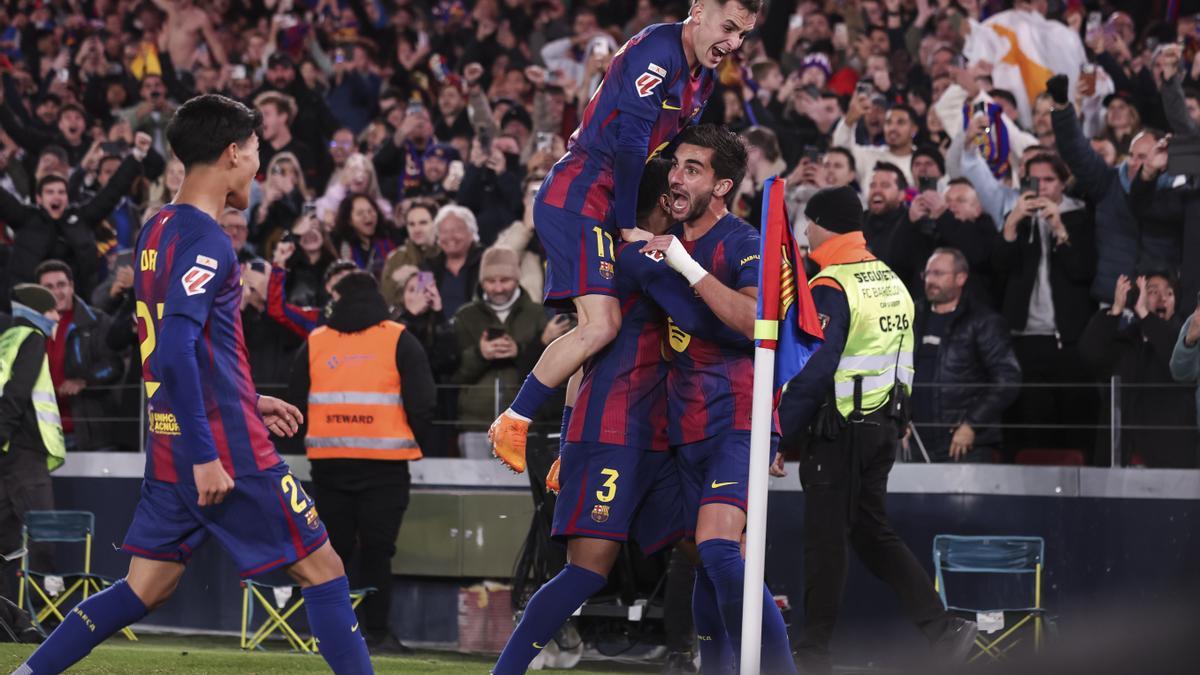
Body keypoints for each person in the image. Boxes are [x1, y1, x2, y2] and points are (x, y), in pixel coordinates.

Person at [15, 94, 373, 675]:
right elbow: (177, 348)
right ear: (233, 153)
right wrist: (211, 454)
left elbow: (175, 346)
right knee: (324, 570)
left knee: (145, 587)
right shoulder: (209, 241)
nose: (258, 166)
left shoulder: (156, 228)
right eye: (256, 152)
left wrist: (247, 397)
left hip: (171, 442)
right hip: (224, 452)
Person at [489, 0, 760, 475]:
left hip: (606, 198)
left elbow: (671, 151)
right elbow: (632, 146)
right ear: (699, 11)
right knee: (602, 325)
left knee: (596, 331)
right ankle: (514, 419)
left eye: (743, 35)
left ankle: (566, 453)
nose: (734, 43)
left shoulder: (704, 75)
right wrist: (628, 224)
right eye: (730, 27)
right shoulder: (657, 51)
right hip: (579, 198)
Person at [493, 158, 692, 674]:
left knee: (712, 549)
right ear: (663, 202)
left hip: (659, 434)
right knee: (587, 572)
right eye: (676, 190)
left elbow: (587, 353)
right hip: (615, 433)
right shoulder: (633, 259)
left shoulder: (650, 256)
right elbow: (587, 345)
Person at [777, 186, 976, 673]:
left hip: (839, 430)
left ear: (825, 225)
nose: (804, 231)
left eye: (809, 222)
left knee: (825, 542)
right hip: (882, 427)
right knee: (870, 533)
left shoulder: (831, 286)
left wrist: (776, 436)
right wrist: (899, 417)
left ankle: (812, 653)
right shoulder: (890, 280)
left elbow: (813, 372)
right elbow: (903, 358)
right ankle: (942, 628)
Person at [640, 124, 795, 673]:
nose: (676, 178)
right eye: (675, 165)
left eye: (692, 169)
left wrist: (684, 264)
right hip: (685, 423)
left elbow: (758, 320)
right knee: (705, 561)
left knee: (719, 550)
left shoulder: (744, 242)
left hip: (739, 417)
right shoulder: (664, 237)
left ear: (723, 185)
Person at [289, 271, 435, 654]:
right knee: (378, 553)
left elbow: (293, 399)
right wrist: (416, 440)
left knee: (329, 553)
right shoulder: (399, 338)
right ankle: (378, 632)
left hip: (329, 465)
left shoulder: (316, 341)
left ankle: (329, 632)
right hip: (385, 466)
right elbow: (423, 402)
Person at [995, 154, 1097, 454]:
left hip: (1069, 339)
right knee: (1029, 427)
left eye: (1049, 180)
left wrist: (1059, 228)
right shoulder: (1016, 217)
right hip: (1024, 338)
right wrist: (1012, 223)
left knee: (1072, 425)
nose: (1041, 187)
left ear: (1064, 183)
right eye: (1034, 180)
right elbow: (1000, 268)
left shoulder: (1081, 216)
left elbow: (1083, 270)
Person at [451, 247, 565, 459]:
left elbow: (551, 372)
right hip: (476, 424)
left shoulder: (536, 314)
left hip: (523, 422)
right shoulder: (465, 316)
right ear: (482, 281)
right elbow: (453, 374)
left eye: (505, 280)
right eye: (491, 281)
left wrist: (520, 352)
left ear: (516, 278)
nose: (498, 288)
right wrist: (480, 354)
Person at [911, 249, 1021, 463]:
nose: (931, 280)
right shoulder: (912, 316)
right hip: (916, 440)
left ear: (961, 278)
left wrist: (972, 424)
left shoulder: (983, 322)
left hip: (963, 444)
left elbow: (1008, 379)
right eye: (928, 274)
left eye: (938, 274)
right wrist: (900, 419)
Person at [1080, 274, 1198, 467]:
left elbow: (1178, 360)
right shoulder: (1124, 342)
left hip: (1170, 461)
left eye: (1169, 293)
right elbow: (1089, 354)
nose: (1162, 298)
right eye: (1152, 291)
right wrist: (1116, 309)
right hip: (1119, 457)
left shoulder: (1186, 342)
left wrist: (1145, 315)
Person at [0, 285, 66, 603]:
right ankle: (46, 617)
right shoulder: (32, 339)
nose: (57, 316)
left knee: (6, 542)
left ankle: (11, 618)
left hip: (8, 453)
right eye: (52, 310)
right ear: (39, 313)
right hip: (25, 455)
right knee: (43, 537)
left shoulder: (7, 339)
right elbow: (17, 394)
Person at [35, 260, 124, 453]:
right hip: (44, 436)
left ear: (72, 286)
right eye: (48, 287)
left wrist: (84, 380)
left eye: (61, 285)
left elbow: (114, 365)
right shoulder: (31, 328)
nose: (57, 292)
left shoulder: (97, 322)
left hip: (92, 436)